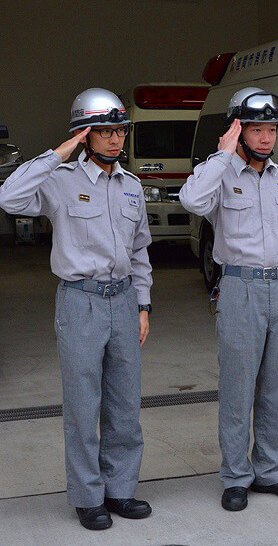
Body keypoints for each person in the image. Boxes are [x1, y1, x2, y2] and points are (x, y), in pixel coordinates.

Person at [0, 88, 152, 530]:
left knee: (124, 404)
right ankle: (88, 497)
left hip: (123, 300)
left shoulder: (132, 187)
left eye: (119, 130)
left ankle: (120, 489)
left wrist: (142, 304)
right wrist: (57, 153)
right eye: (103, 131)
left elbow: (140, 250)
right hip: (80, 301)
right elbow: (9, 198)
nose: (113, 140)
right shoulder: (60, 181)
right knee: (84, 406)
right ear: (85, 135)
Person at [179, 88, 278, 511]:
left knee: (276, 386)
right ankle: (236, 476)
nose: (266, 138)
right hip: (241, 287)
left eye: (271, 129)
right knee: (238, 388)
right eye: (256, 129)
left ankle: (272, 471)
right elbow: (191, 200)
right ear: (238, 130)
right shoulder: (219, 175)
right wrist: (222, 155)